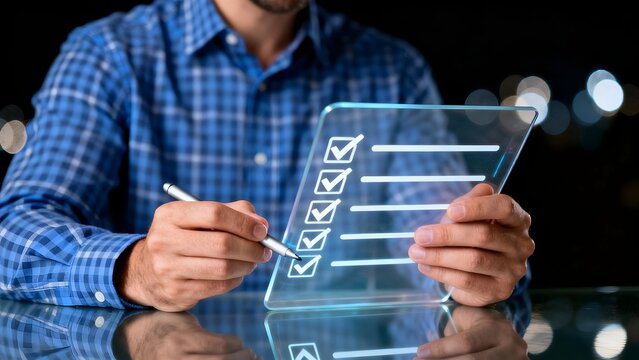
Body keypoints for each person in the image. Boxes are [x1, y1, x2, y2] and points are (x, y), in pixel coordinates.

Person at [0, 0, 534, 311]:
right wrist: (134, 269)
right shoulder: (110, 54)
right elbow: (12, 233)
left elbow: (429, 238)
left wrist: (470, 262)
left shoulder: (391, 68)